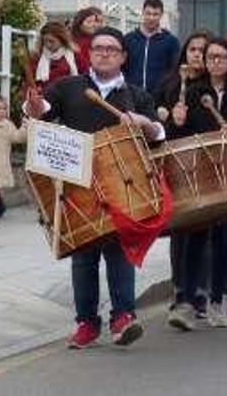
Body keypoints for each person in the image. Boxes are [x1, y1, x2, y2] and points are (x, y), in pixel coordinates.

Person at [25, 26, 165, 349]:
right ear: (89, 53)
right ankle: (87, 322)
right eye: (99, 48)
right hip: (78, 183)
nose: (104, 53)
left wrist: (145, 124)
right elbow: (40, 113)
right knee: (84, 256)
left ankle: (123, 318)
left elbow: (159, 135)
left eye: (112, 49)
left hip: (123, 183)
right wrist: (33, 107)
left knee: (120, 251)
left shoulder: (136, 94)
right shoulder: (68, 87)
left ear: (123, 57)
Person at [170, 38, 227, 329]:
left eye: (221, 57)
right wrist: (177, 121)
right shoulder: (193, 91)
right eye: (211, 56)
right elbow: (181, 132)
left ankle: (216, 300)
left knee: (224, 237)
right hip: (200, 170)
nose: (215, 61)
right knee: (197, 233)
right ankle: (187, 302)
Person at [159, 31, 211, 331]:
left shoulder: (207, 89)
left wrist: (188, 118)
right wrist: (168, 117)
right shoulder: (170, 83)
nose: (196, 55)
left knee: (201, 231)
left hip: (202, 165)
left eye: (202, 51)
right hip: (175, 165)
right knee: (179, 231)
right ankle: (180, 293)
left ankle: (199, 294)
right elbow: (154, 119)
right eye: (192, 49)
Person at [124, 0, 181, 94]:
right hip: (131, 95)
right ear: (143, 13)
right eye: (148, 13)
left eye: (155, 14)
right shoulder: (129, 39)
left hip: (159, 97)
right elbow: (123, 67)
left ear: (161, 15)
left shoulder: (171, 41)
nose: (151, 18)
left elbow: (174, 69)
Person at [28, 21, 83, 90]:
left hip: (70, 96)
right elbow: (30, 79)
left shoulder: (74, 55)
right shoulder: (37, 56)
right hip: (45, 97)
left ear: (62, 39)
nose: (48, 45)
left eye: (52, 41)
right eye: (45, 41)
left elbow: (85, 76)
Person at [70, 7, 104, 74]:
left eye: (95, 21)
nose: (94, 25)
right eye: (89, 22)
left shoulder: (96, 40)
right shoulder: (72, 41)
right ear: (79, 24)